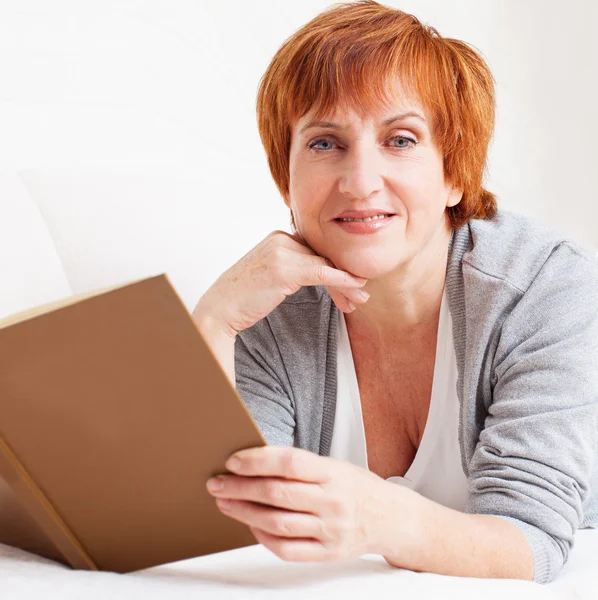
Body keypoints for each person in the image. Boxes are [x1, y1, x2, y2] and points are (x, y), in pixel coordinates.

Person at [192, 0, 598, 585]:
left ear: (455, 173)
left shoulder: (546, 289)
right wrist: (212, 322)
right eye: (324, 143)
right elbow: (223, 519)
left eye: (401, 139)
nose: (359, 181)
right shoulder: (271, 307)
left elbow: (532, 542)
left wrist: (377, 517)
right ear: (287, 176)